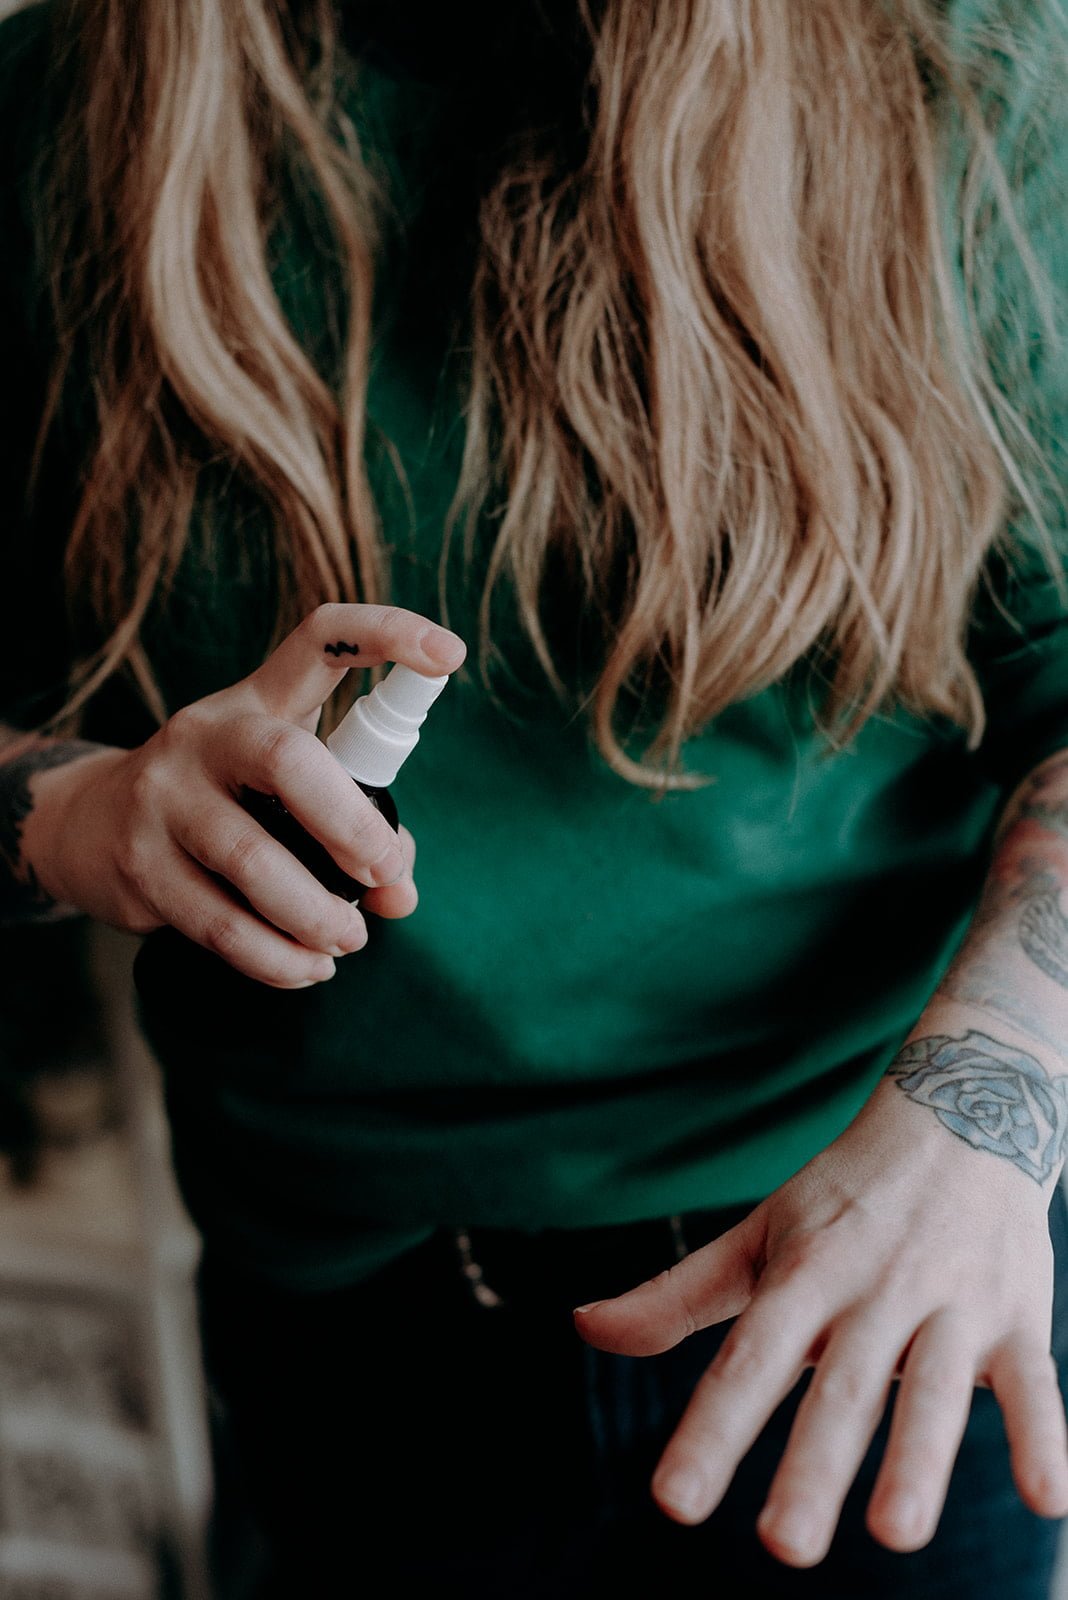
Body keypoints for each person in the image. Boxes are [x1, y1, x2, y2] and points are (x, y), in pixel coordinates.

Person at [2, 0, 1067, 1593]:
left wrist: (987, 1123)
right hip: (351, 1341)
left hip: (878, 1274)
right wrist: (77, 814)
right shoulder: (53, 119)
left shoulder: (971, 72)